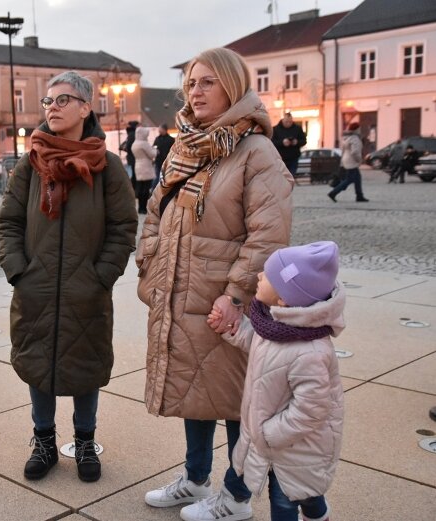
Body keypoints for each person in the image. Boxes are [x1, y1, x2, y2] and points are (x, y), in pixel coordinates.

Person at [137, 47, 293, 521]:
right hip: (181, 295)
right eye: (190, 83)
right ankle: (194, 479)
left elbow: (269, 235)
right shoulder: (186, 146)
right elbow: (154, 212)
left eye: (206, 82)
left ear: (232, 85)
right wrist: (149, 264)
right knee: (194, 393)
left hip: (225, 303)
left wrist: (236, 295)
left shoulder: (255, 151)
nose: (195, 91)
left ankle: (237, 496)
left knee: (235, 403)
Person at [0, 71, 137, 483]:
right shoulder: (31, 163)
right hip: (35, 286)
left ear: (85, 107)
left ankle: (85, 441)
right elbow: (8, 221)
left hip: (86, 289)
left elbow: (123, 227)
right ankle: (43, 442)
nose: (52, 108)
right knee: (38, 364)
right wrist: (18, 270)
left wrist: (102, 275)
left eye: (63, 100)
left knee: (85, 366)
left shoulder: (108, 167)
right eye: (48, 102)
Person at [207, 241, 344, 521]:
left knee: (286, 501)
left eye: (267, 276)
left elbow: (312, 409)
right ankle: (319, 514)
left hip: (296, 446)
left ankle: (317, 514)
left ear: (284, 298)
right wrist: (231, 329)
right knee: (302, 493)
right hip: (278, 443)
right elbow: (258, 344)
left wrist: (269, 434)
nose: (259, 276)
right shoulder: (275, 324)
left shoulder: (311, 351)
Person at [328, 123, 369, 203]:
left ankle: (359, 195)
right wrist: (359, 160)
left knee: (357, 178)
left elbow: (343, 150)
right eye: (359, 128)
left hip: (346, 159)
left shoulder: (346, 137)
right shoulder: (355, 138)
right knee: (349, 179)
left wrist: (342, 161)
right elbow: (355, 152)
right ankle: (333, 193)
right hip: (352, 161)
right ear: (357, 129)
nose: (360, 130)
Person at [131, 125, 157, 214]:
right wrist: (156, 151)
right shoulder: (144, 143)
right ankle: (143, 208)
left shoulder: (135, 143)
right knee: (146, 189)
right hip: (146, 166)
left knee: (140, 187)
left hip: (138, 165)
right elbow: (152, 154)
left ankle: (140, 208)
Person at [271, 112, 306, 176]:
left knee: (291, 176)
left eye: (290, 122)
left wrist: (297, 142)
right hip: (280, 157)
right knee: (282, 177)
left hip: (293, 157)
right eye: (286, 121)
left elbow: (304, 141)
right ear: (283, 120)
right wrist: (282, 142)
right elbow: (271, 142)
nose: (288, 123)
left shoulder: (298, 128)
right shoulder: (275, 129)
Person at [152, 123, 175, 187]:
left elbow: (173, 150)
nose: (159, 130)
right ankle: (154, 189)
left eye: (160, 128)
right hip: (158, 161)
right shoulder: (157, 139)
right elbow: (153, 147)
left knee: (165, 176)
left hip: (167, 161)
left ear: (164, 129)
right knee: (157, 176)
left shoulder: (170, 139)